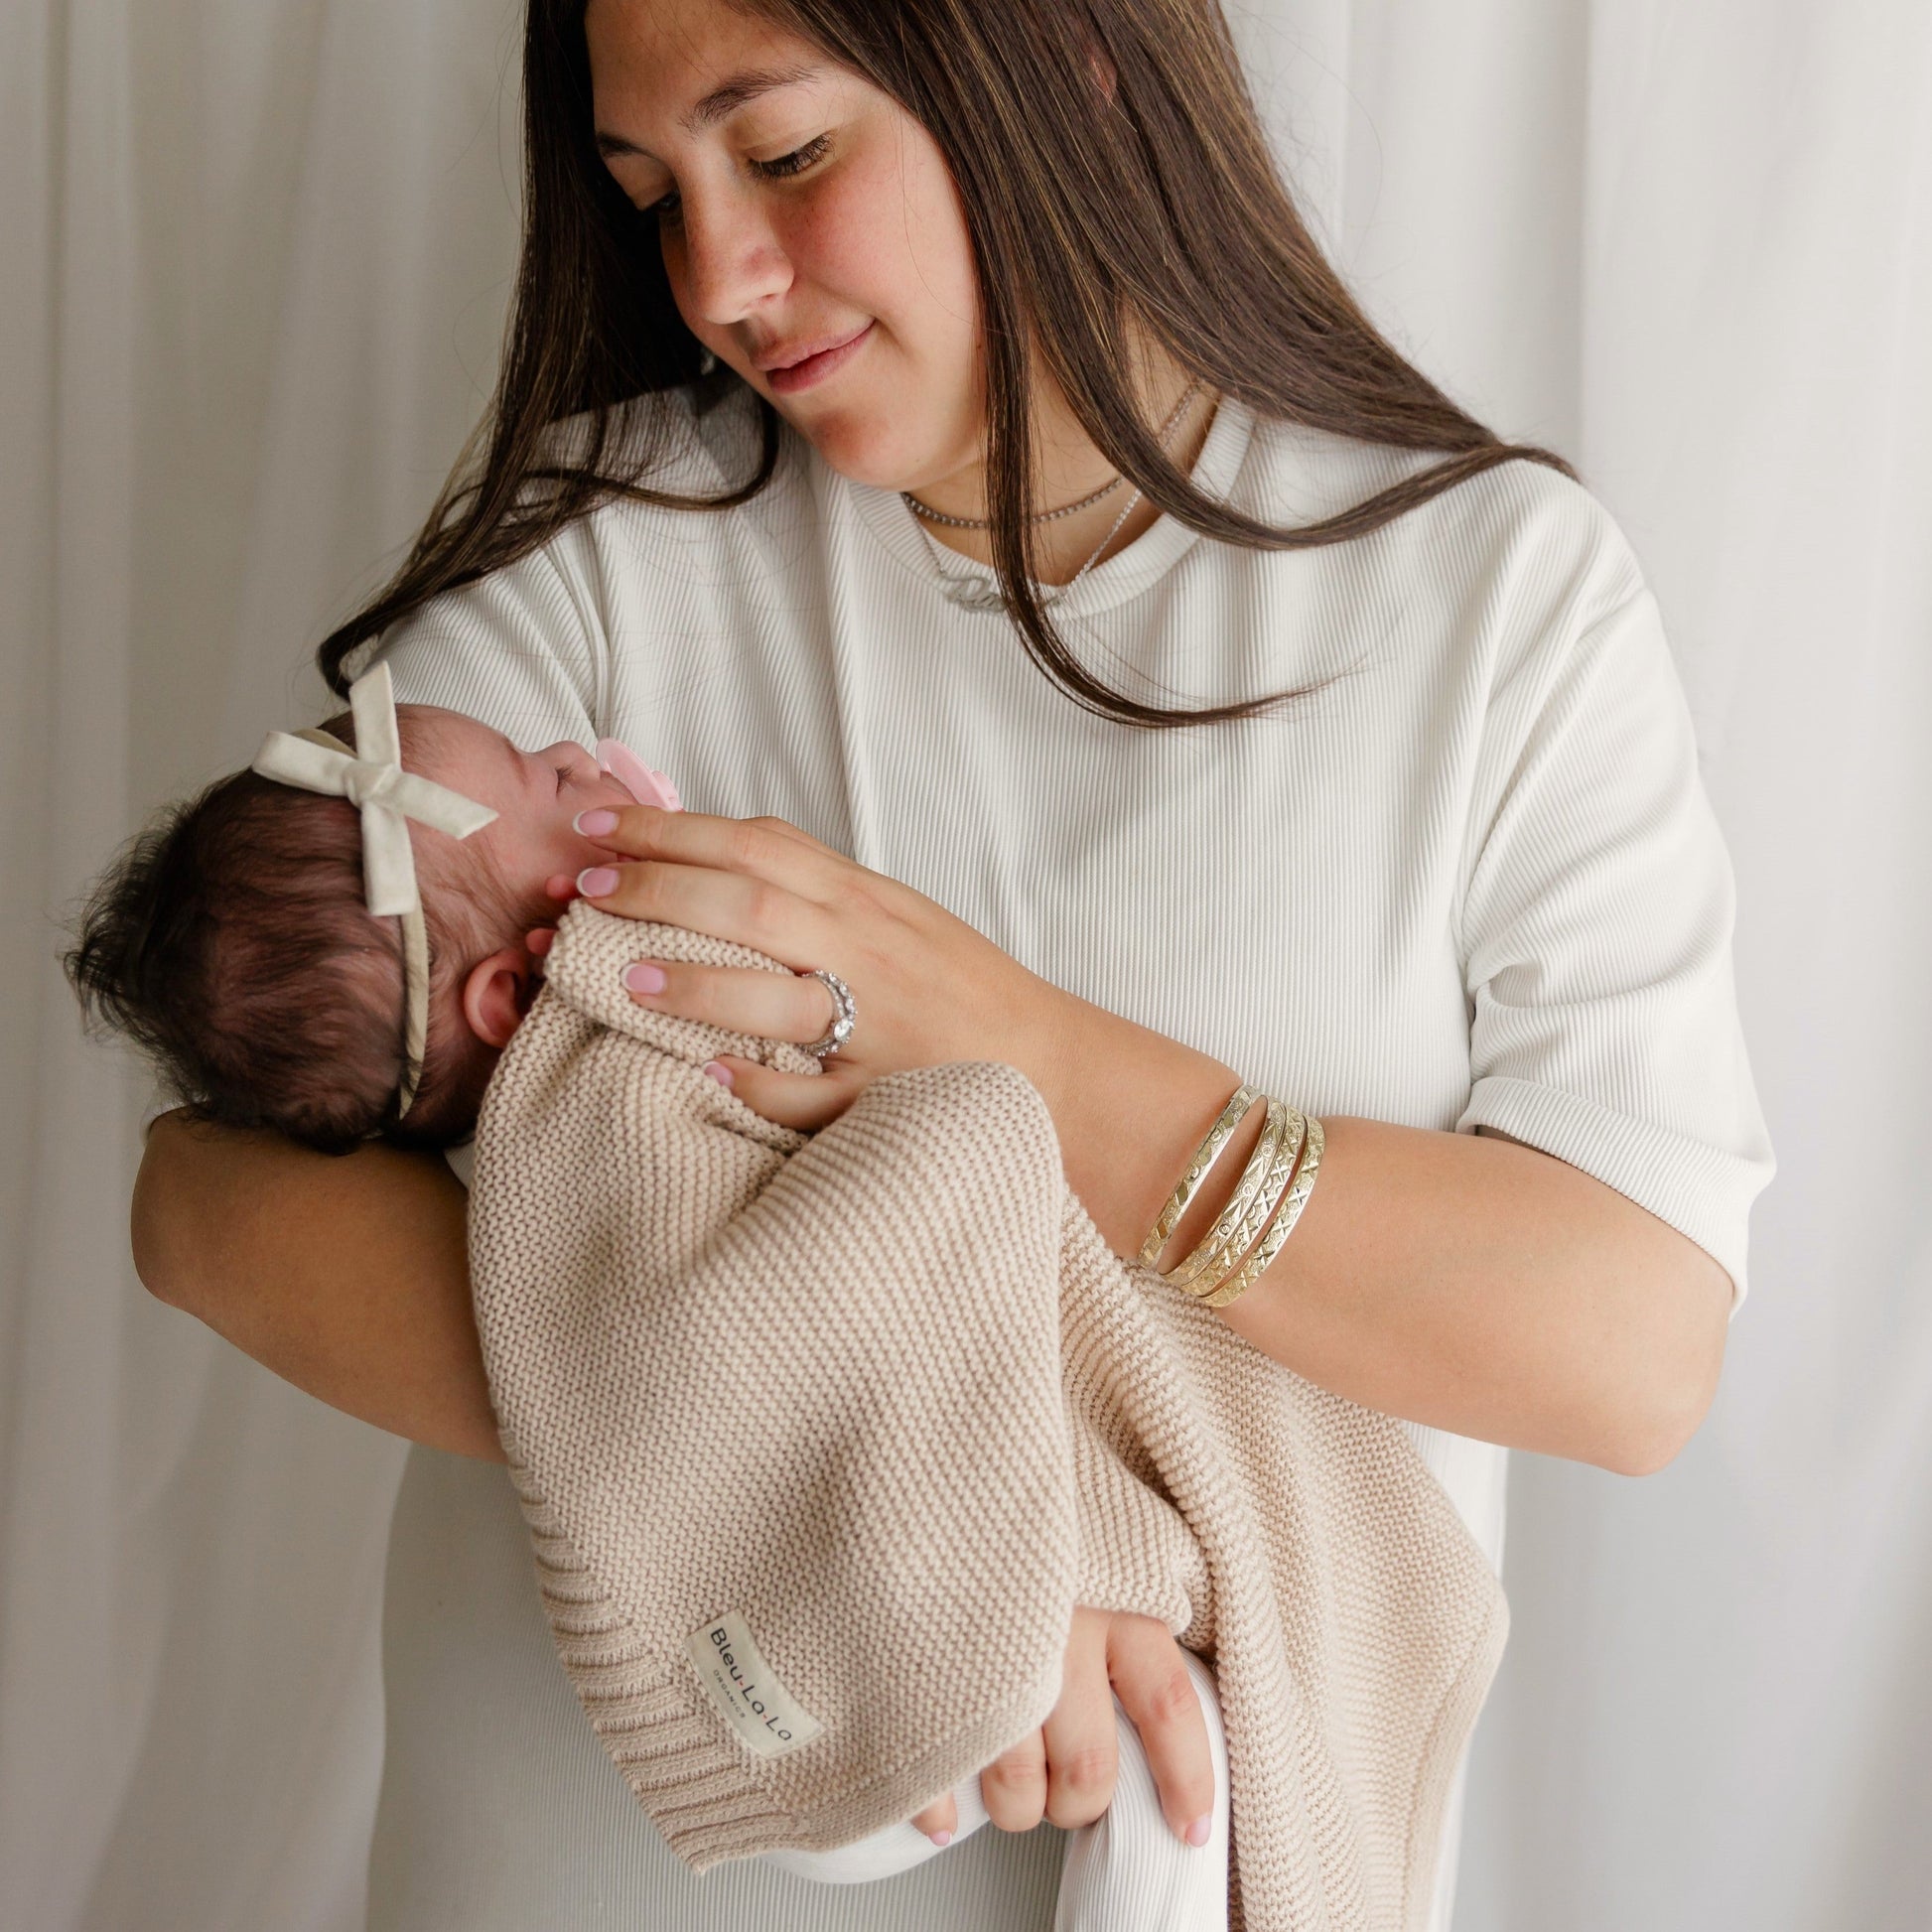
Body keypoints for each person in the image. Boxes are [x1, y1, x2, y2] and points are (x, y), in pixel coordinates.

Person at [129, 0, 1775, 1927]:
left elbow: (1630, 1347)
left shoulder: (1496, 601)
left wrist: (1021, 1053)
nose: (715, 280)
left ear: (1063, 53)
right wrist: (939, 1528)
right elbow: (211, 1208)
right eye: (650, 194)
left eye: (787, 154)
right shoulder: (604, 553)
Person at [68, 677, 1237, 1928]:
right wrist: (935, 1111)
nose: (577, 757)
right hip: (879, 1636)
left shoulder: (515, 1144)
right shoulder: (605, 1070)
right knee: (971, 1122)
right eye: (541, 777)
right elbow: (757, 1284)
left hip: (769, 1693)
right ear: (509, 996)